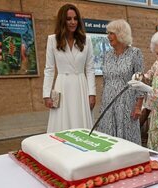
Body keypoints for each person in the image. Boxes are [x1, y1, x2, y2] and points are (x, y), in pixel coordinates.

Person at [43, 4, 96, 132]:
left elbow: (90, 69)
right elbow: (49, 69)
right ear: (62, 20)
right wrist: (46, 94)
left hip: (80, 86)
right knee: (61, 124)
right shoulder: (52, 40)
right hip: (62, 86)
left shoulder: (86, 40)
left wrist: (92, 93)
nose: (73, 22)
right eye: (68, 19)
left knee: (81, 123)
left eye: (75, 18)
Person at [97, 19, 144, 145]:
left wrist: (138, 106)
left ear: (121, 34)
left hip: (126, 103)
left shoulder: (135, 53)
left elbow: (140, 80)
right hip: (108, 102)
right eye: (108, 33)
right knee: (108, 138)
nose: (108, 36)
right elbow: (105, 81)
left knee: (126, 140)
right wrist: (102, 105)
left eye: (111, 33)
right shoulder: (107, 55)